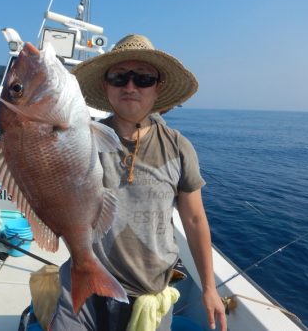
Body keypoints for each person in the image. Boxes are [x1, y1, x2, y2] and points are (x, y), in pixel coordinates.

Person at [49, 34, 227, 331]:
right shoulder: (80, 139)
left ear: (158, 88)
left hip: (149, 296)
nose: (130, 86)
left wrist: (209, 288)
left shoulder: (178, 147)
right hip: (84, 284)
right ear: (106, 86)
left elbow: (195, 220)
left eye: (143, 78)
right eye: (119, 77)